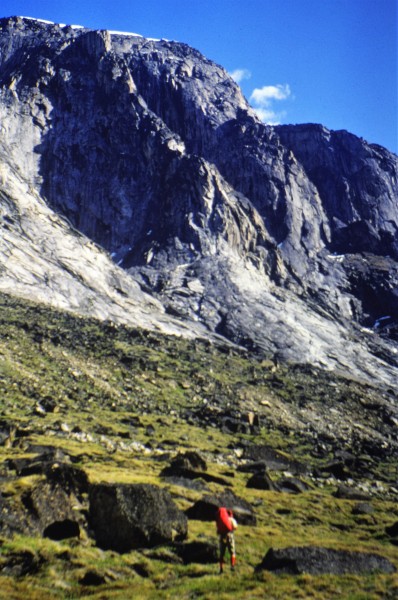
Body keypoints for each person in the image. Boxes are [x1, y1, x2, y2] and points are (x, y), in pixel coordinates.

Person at [216, 506, 237, 574]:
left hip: (222, 536)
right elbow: (235, 527)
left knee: (222, 553)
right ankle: (232, 566)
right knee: (232, 551)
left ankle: (221, 569)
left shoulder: (221, 519)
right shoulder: (230, 519)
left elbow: (218, 530)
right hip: (229, 535)